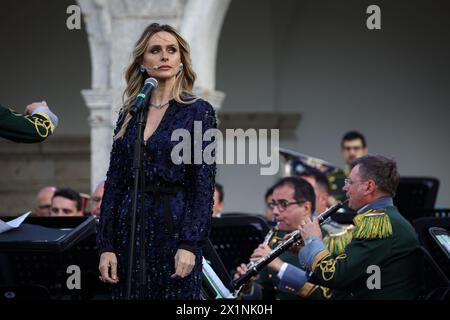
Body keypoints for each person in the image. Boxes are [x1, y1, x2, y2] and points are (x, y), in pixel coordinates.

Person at [97, 23, 216, 300]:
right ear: (142, 61)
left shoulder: (198, 111)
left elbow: (203, 185)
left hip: (173, 229)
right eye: (155, 50)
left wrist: (190, 243)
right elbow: (114, 184)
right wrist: (106, 245)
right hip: (129, 230)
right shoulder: (130, 112)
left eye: (171, 50)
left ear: (180, 60)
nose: (164, 56)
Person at [297, 155, 424, 299]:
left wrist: (313, 239)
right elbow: (349, 266)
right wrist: (303, 248)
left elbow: (336, 275)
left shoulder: (379, 223)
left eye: (349, 182)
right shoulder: (383, 219)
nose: (345, 188)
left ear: (368, 186)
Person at [234, 177, 351, 300]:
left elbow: (328, 295)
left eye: (283, 204)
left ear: (306, 208)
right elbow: (265, 291)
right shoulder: (275, 239)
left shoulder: (334, 239)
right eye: (273, 204)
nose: (275, 212)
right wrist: (249, 287)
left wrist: (280, 266)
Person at [328, 131, 368, 203]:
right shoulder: (331, 178)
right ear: (342, 151)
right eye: (347, 148)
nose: (351, 153)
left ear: (365, 151)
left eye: (356, 148)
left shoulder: (374, 178)